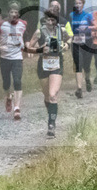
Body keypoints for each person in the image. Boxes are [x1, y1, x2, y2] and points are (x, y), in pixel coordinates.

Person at [27, 9, 70, 138]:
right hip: (43, 65)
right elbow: (29, 47)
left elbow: (70, 39)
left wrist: (66, 46)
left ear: (56, 20)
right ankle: (51, 112)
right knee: (46, 96)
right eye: (48, 20)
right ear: (44, 20)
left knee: (53, 95)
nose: (50, 22)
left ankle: (51, 124)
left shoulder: (61, 31)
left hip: (57, 64)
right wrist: (40, 49)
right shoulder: (40, 32)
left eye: (53, 20)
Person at [0, 1, 28, 120]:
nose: (13, 14)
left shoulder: (23, 24)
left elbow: (26, 37)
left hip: (17, 57)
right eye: (11, 12)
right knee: (6, 82)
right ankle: (8, 97)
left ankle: (17, 108)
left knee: (17, 81)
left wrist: (28, 48)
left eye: (16, 12)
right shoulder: (1, 24)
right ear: (8, 13)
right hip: (4, 57)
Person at [68, 0, 93, 98]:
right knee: (78, 64)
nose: (78, 5)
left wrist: (87, 28)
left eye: (80, 3)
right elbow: (68, 27)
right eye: (76, 3)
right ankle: (79, 89)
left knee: (86, 65)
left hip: (87, 42)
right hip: (76, 42)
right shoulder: (71, 15)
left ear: (83, 5)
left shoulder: (88, 16)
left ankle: (87, 79)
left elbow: (95, 27)